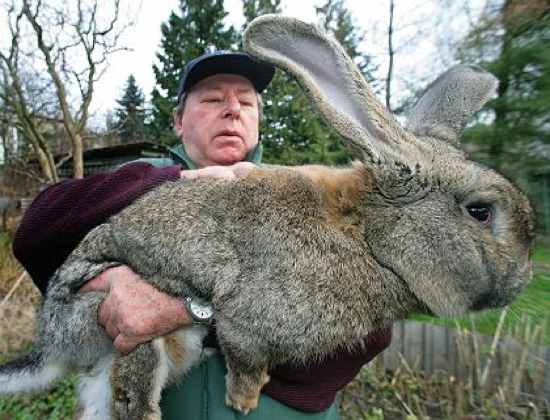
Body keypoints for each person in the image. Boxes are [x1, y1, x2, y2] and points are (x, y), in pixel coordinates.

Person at [13, 49, 392, 420]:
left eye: (247, 102)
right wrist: (178, 181)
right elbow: (37, 231)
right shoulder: (139, 180)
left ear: (259, 120)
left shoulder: (304, 191)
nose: (232, 110)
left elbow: (368, 327)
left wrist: (184, 312)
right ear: (178, 121)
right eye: (212, 99)